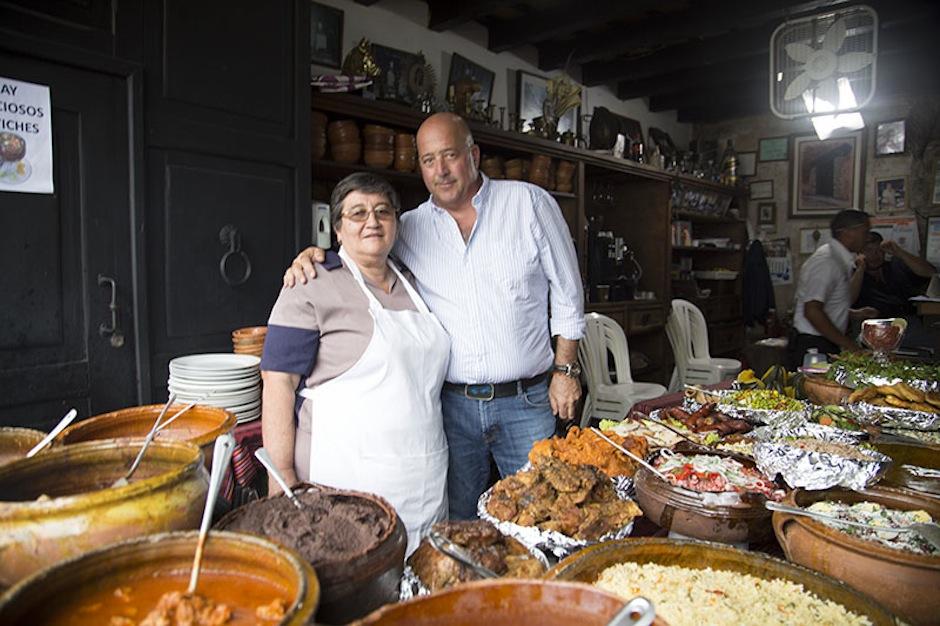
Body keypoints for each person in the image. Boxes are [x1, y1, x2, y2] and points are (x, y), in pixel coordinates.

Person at [285, 112, 584, 519]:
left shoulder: (529, 204)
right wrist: (313, 255)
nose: (440, 170)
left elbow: (568, 292)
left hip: (526, 401)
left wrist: (565, 372)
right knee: (458, 521)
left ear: (473, 155)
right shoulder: (408, 227)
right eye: (428, 160)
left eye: (450, 155)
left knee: (545, 515)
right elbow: (363, 246)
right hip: (452, 408)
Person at [260, 172, 450, 554]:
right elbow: (277, 382)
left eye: (383, 211)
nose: (372, 221)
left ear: (397, 223)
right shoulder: (310, 281)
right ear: (337, 228)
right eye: (358, 213)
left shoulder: (416, 282)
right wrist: (281, 480)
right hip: (344, 477)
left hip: (422, 476)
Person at [789, 209, 878, 367]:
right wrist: (850, 346)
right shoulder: (827, 261)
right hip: (813, 345)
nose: (868, 238)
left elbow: (827, 304)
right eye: (865, 232)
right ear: (848, 233)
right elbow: (812, 311)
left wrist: (853, 314)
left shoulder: (839, 259)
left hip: (825, 342)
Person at [855, 231, 935, 318]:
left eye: (879, 250)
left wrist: (900, 252)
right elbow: (847, 301)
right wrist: (860, 269)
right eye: (868, 250)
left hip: (910, 319)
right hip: (877, 323)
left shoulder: (896, 265)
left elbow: (930, 272)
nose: (876, 255)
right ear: (859, 253)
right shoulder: (855, 275)